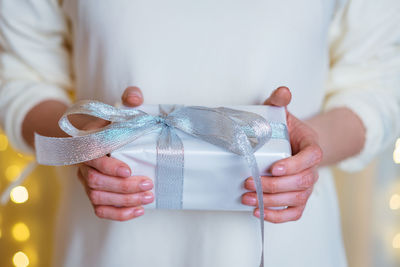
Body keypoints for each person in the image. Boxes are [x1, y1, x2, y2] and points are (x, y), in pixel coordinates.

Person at [0, 0, 399, 266]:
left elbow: (378, 84)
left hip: (285, 245)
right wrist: (85, 139)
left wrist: (309, 145)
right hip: (109, 247)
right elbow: (19, 77)